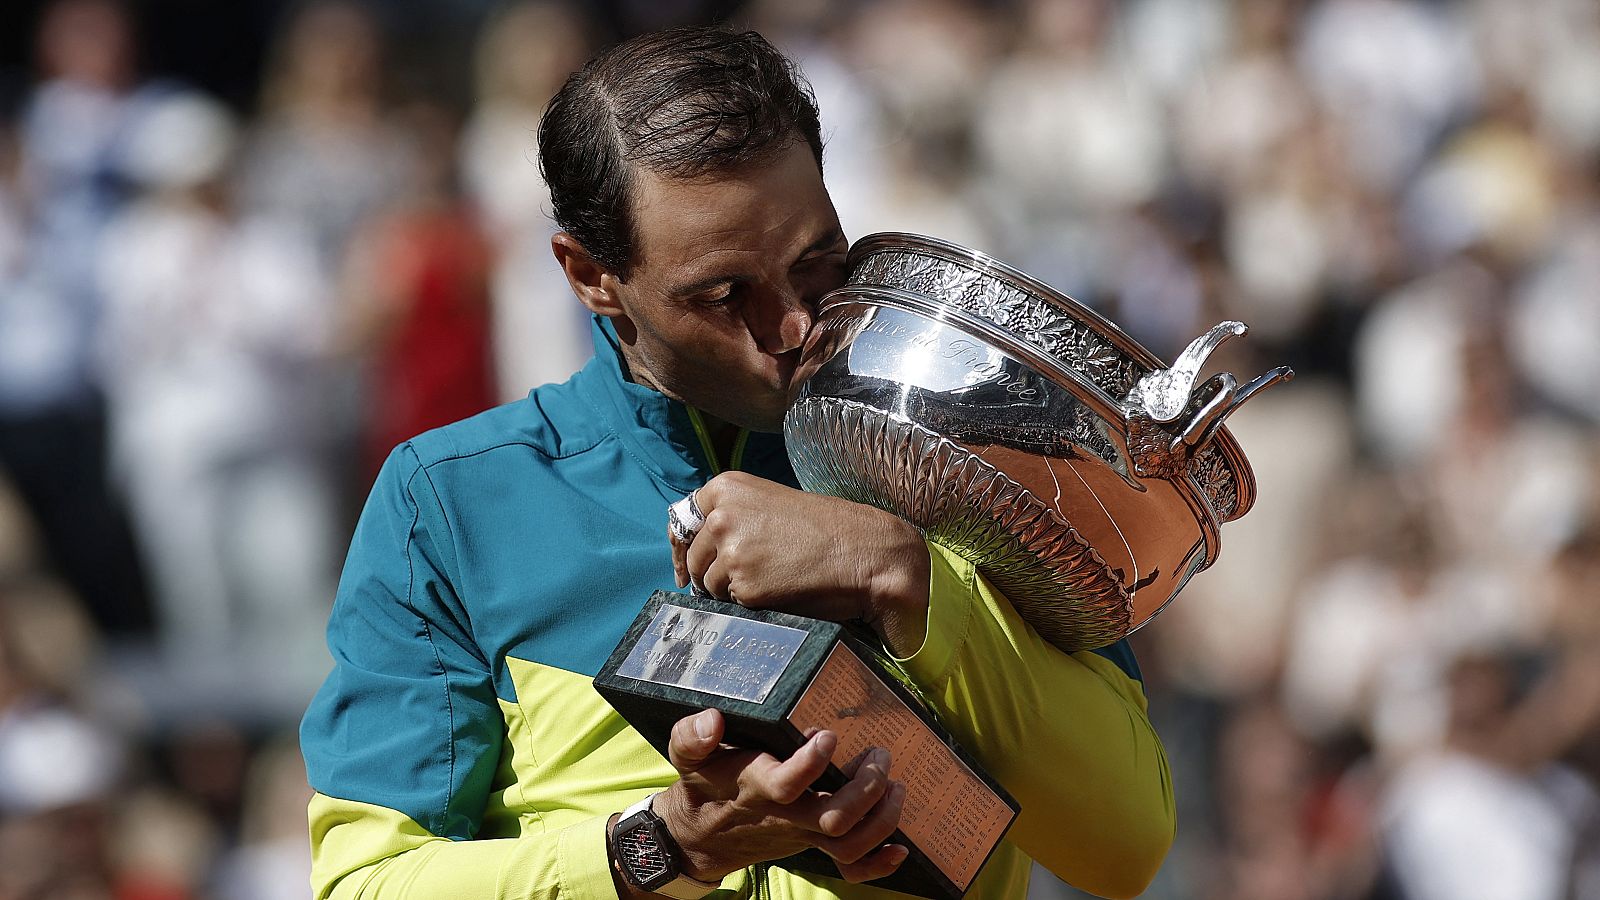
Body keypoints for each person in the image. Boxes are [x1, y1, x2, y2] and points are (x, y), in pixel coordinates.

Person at [300, 25, 1174, 900]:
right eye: (725, 293)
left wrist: (904, 573)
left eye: (816, 261)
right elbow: (363, 885)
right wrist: (663, 849)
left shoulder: (974, 455)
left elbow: (1128, 847)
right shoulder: (452, 500)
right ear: (589, 275)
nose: (793, 327)